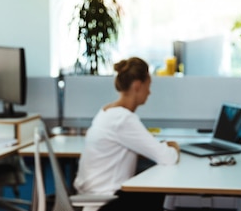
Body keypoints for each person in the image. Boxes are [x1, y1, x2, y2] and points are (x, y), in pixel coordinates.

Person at [74, 57, 180, 211]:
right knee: (159, 186)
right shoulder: (122, 119)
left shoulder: (106, 111)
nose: (149, 92)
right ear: (138, 85)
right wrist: (174, 146)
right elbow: (168, 157)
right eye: (148, 86)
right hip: (105, 202)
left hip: (93, 197)